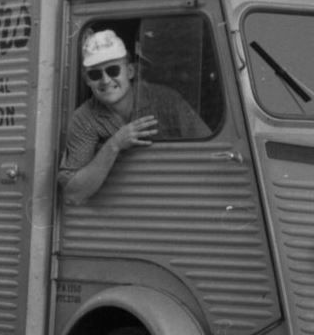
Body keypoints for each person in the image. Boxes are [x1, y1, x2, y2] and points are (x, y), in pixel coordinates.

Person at [57, 28, 211, 205]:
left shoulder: (166, 100)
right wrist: (115, 144)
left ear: (130, 71)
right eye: (95, 74)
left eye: (113, 70)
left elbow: (208, 155)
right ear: (87, 81)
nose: (105, 80)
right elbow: (73, 194)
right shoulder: (83, 118)